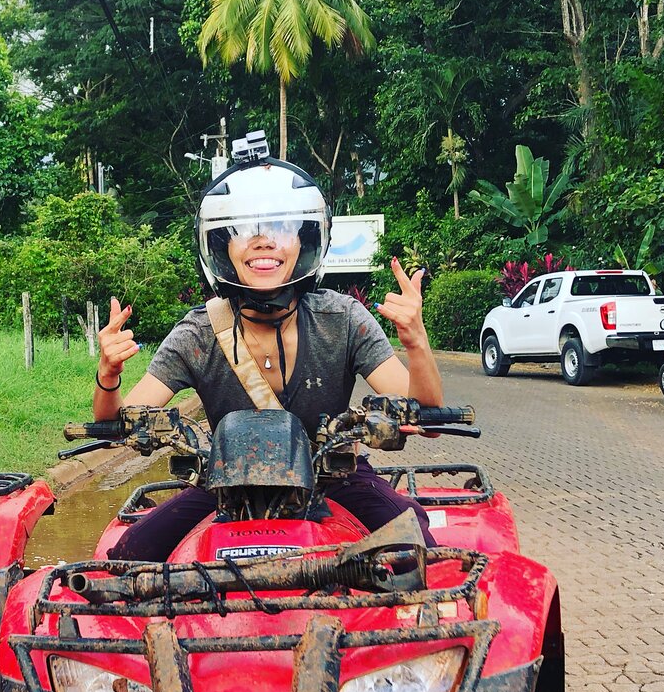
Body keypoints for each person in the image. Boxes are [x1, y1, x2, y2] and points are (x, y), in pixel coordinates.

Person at [94, 142, 443, 558]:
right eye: (243, 231)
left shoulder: (343, 318)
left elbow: (427, 417)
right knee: (129, 554)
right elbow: (117, 425)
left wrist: (417, 344)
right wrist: (110, 373)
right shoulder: (200, 332)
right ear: (222, 246)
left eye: (280, 229)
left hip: (334, 476)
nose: (263, 242)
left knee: (417, 541)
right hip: (225, 483)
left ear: (303, 243)